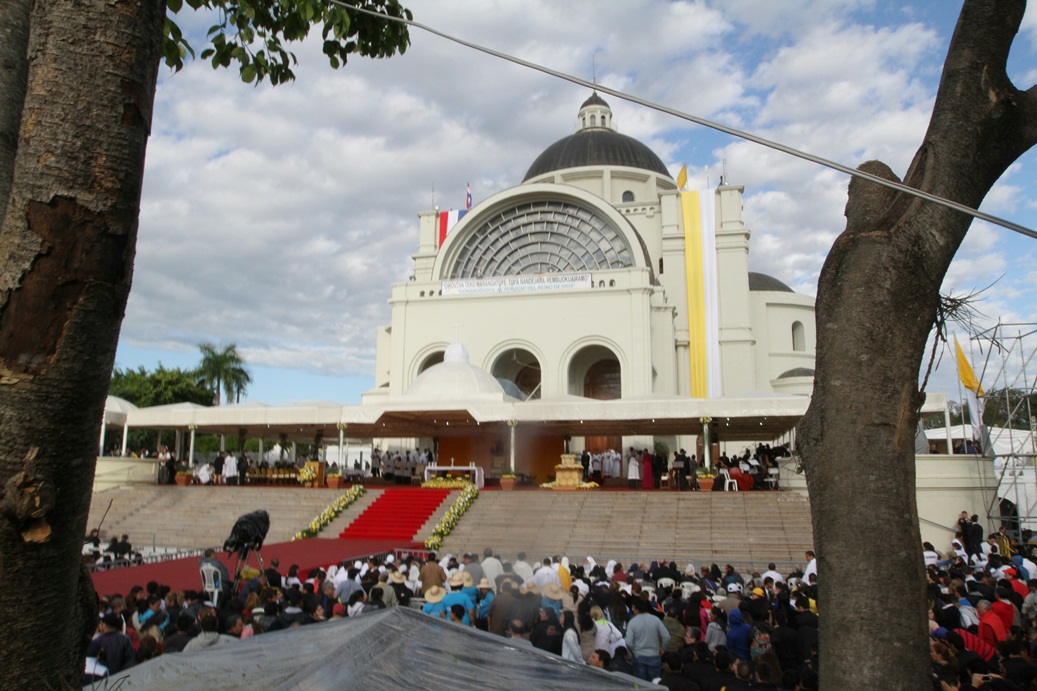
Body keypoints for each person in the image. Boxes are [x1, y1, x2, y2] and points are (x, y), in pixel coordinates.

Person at [625, 597, 670, 681]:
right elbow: (666, 636)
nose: (632, 609)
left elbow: (628, 642)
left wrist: (634, 651)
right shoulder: (655, 620)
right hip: (654, 656)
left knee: (640, 684)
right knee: (654, 684)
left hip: (639, 656)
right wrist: (663, 649)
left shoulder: (632, 622)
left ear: (637, 609)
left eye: (633, 608)